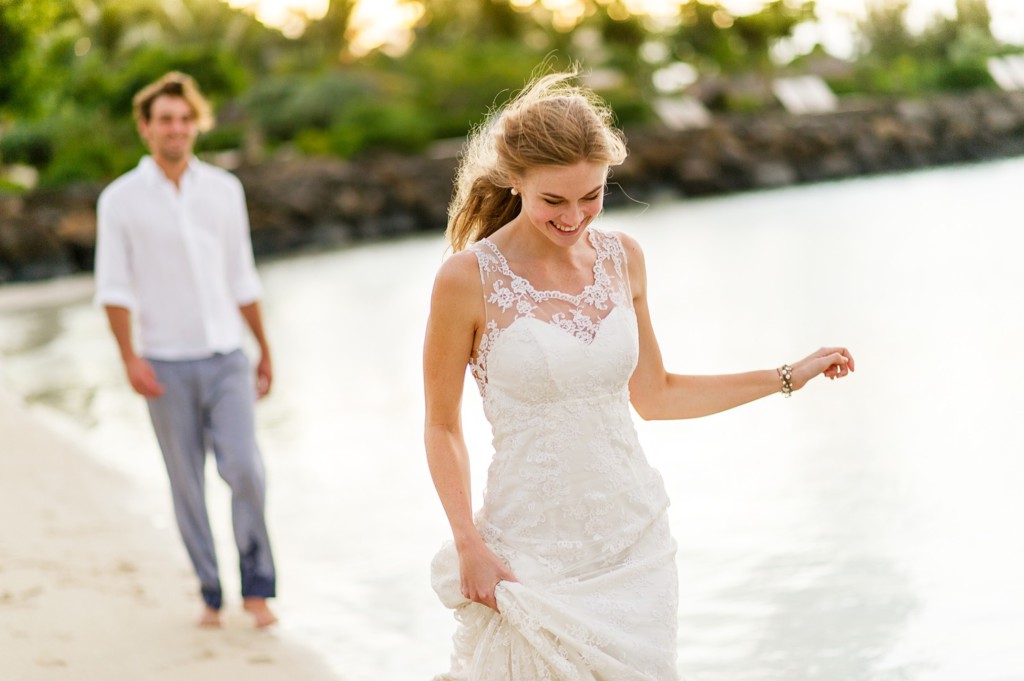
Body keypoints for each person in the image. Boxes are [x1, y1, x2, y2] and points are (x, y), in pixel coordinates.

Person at [422, 70, 854, 679]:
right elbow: (442, 425)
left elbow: (656, 395)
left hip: (634, 542)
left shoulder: (623, 258)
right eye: (554, 200)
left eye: (592, 195)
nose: (575, 216)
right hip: (529, 552)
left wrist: (788, 375)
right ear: (514, 180)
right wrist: (469, 543)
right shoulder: (467, 279)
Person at [93, 72, 278, 629]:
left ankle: (258, 590)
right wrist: (129, 357)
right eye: (164, 119)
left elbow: (242, 277)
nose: (176, 128)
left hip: (227, 357)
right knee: (187, 486)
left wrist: (264, 350)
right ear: (146, 128)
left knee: (246, 469)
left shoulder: (224, 190)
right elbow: (114, 287)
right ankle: (210, 593)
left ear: (196, 123)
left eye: (184, 118)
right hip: (164, 364)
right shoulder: (119, 199)